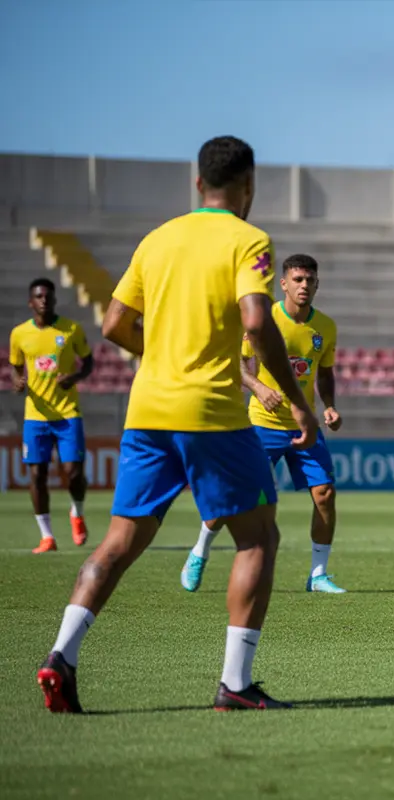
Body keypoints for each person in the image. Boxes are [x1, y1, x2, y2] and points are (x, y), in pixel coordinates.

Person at [35, 135, 318, 714]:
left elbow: (114, 323)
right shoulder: (249, 240)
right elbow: (258, 323)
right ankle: (235, 685)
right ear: (249, 187)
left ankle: (60, 656)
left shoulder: (157, 239)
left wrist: (163, 357)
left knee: (118, 541)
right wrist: (295, 400)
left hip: (148, 411)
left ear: (197, 184)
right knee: (259, 537)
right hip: (211, 412)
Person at [181, 253, 345, 594]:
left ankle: (317, 575)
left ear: (317, 284)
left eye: (309, 280)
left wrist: (328, 406)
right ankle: (200, 550)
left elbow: (324, 372)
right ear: (283, 283)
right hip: (262, 422)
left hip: (304, 425)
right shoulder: (265, 319)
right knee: (235, 494)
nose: (304, 286)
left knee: (325, 494)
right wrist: (258, 386)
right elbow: (235, 365)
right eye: (297, 280)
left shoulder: (325, 327)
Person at [9, 278, 94, 553]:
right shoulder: (19, 334)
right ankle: (47, 537)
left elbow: (89, 362)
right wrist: (18, 381)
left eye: (48, 295)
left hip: (68, 414)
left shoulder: (70, 330)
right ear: (30, 302)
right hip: (36, 416)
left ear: (55, 299)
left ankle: (77, 512)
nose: (44, 300)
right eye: (38, 296)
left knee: (73, 473)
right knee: (37, 475)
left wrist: (75, 376)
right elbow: (15, 366)